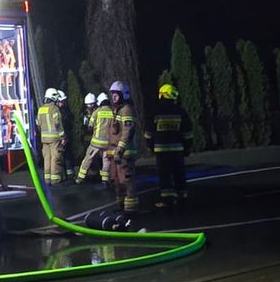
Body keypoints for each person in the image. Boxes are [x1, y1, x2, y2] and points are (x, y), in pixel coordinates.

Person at [144, 83, 193, 209]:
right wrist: (187, 147)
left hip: (161, 150)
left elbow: (148, 132)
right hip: (178, 149)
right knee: (179, 173)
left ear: (162, 95)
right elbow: (187, 132)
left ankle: (167, 199)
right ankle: (182, 196)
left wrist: (150, 145)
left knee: (164, 174)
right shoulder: (180, 111)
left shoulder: (155, 112)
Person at [106, 81, 140, 211]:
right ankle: (121, 205)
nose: (114, 97)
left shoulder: (126, 110)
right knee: (117, 181)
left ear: (123, 95)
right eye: (113, 94)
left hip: (125, 153)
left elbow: (127, 131)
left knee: (126, 180)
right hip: (116, 154)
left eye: (116, 94)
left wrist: (120, 149)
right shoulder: (117, 110)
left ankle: (131, 207)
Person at [77, 92, 114, 185]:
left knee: (88, 158)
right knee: (106, 160)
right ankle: (105, 180)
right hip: (108, 142)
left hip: (96, 142)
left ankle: (80, 178)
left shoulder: (97, 112)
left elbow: (90, 126)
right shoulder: (113, 112)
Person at [37, 88, 67, 185]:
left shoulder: (41, 109)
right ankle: (55, 179)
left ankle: (47, 179)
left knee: (47, 158)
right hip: (54, 138)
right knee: (55, 158)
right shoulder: (54, 108)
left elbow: (38, 124)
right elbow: (58, 123)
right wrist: (63, 137)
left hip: (44, 139)